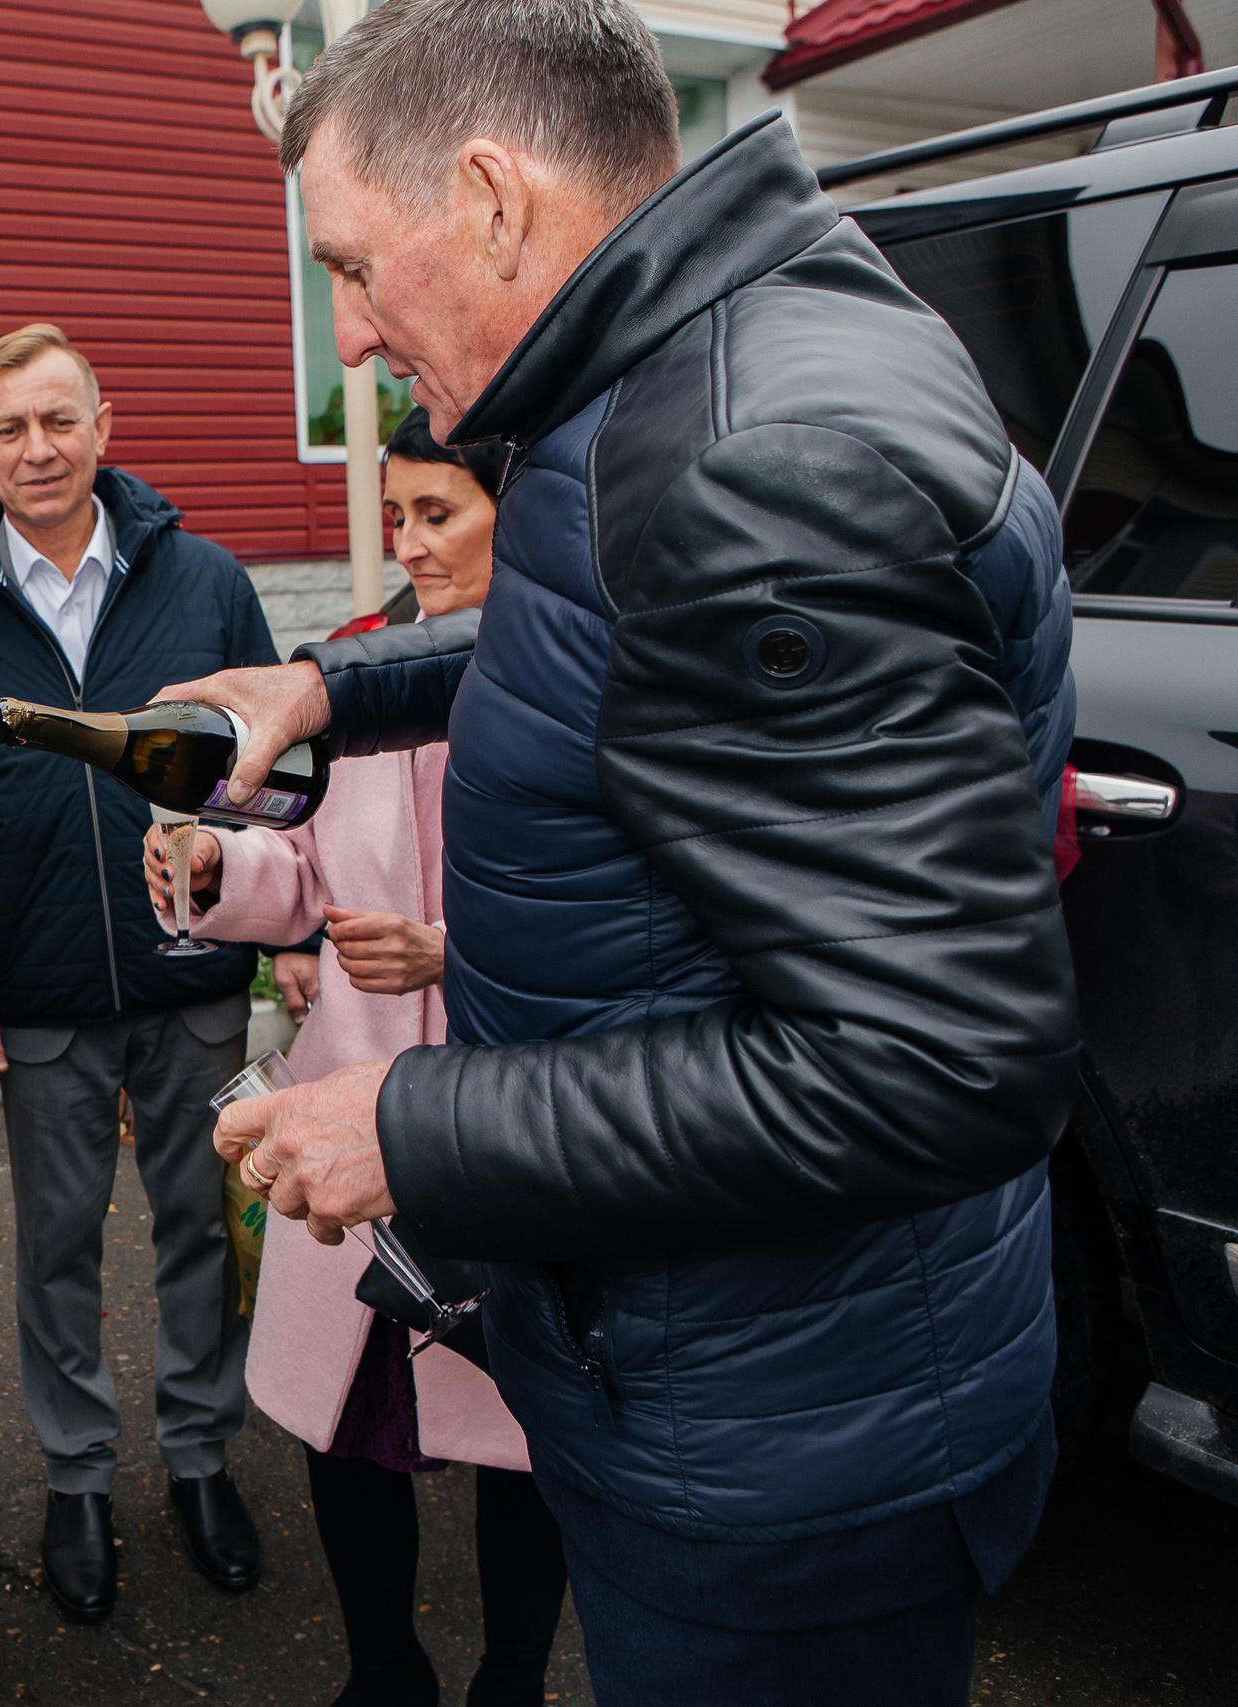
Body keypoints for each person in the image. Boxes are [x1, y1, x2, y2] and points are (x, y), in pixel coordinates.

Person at [168, 3, 1076, 1700]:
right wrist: (333, 686)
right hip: (745, 1380)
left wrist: (417, 1120)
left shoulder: (754, 465)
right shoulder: (706, 360)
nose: (349, 333)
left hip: (785, 1453)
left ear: (494, 197)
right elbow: (620, 625)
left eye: (354, 266)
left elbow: (942, 1067)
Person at [148, 408, 566, 1707]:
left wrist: (450, 955)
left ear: (519, 511)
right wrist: (219, 871)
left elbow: (624, 922)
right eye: (395, 516)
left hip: (511, 1123)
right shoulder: (355, 669)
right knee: (346, 1421)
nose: (408, 543)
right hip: (354, 1114)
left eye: (437, 513)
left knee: (520, 1437)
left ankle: (509, 1679)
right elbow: (304, 872)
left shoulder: (579, 673)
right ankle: (384, 1670)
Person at [0, 323, 282, 1624]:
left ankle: (200, 1455)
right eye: (10, 427)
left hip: (195, 979)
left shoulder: (205, 582)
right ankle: (77, 1477)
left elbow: (272, 775)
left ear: (103, 428)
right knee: (54, 1245)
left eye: (60, 420)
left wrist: (272, 919)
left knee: (202, 1230)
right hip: (39, 993)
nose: (39, 448)